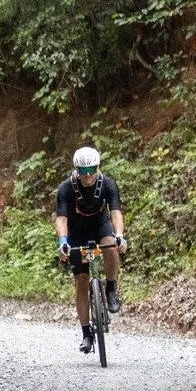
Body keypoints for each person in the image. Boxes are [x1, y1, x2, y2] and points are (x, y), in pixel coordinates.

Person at [54, 144, 127, 354]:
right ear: (76, 170)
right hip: (76, 232)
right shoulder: (66, 188)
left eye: (91, 170)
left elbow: (115, 213)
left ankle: (111, 287)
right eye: (82, 171)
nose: (87, 176)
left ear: (98, 167)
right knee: (81, 281)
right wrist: (63, 241)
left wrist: (119, 235)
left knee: (111, 247)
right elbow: (61, 218)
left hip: (100, 225)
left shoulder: (108, 185)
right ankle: (86, 333)